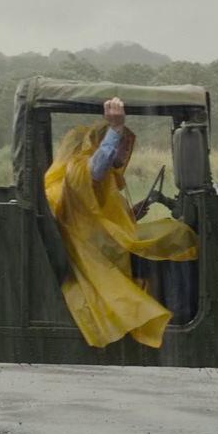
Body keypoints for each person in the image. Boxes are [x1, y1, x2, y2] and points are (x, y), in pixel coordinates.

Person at [43, 97, 199, 349]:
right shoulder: (80, 171)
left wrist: (133, 213)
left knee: (171, 232)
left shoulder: (106, 179)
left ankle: (179, 306)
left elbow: (99, 213)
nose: (126, 151)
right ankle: (182, 310)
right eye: (121, 144)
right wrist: (115, 128)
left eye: (127, 145)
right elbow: (97, 168)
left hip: (106, 242)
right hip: (98, 252)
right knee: (179, 235)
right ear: (97, 144)